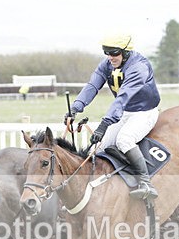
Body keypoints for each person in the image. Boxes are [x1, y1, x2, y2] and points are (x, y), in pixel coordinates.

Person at [65, 34, 161, 200]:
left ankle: (146, 183)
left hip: (144, 112)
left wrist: (104, 125)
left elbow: (122, 97)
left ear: (126, 51)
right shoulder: (107, 65)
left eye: (114, 53)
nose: (110, 57)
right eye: (106, 52)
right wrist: (75, 108)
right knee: (99, 148)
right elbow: (92, 86)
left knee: (124, 140)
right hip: (124, 113)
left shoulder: (139, 67)